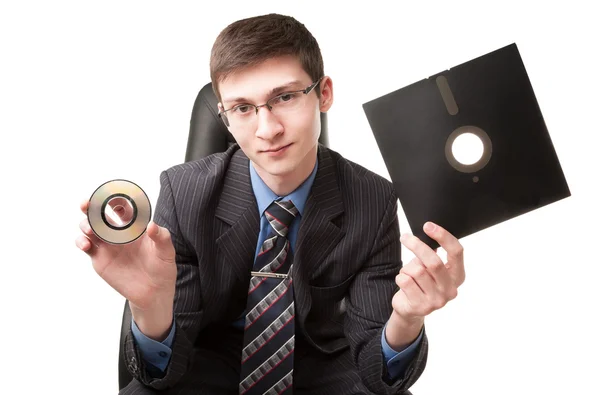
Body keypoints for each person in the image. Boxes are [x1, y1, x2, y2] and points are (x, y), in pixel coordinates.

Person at [76, 13, 466, 395]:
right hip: (209, 370)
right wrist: (149, 307)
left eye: (285, 97)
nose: (268, 129)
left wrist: (407, 319)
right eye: (243, 108)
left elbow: (377, 372)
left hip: (324, 373)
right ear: (224, 118)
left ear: (323, 93)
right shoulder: (183, 193)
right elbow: (161, 373)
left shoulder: (373, 199)